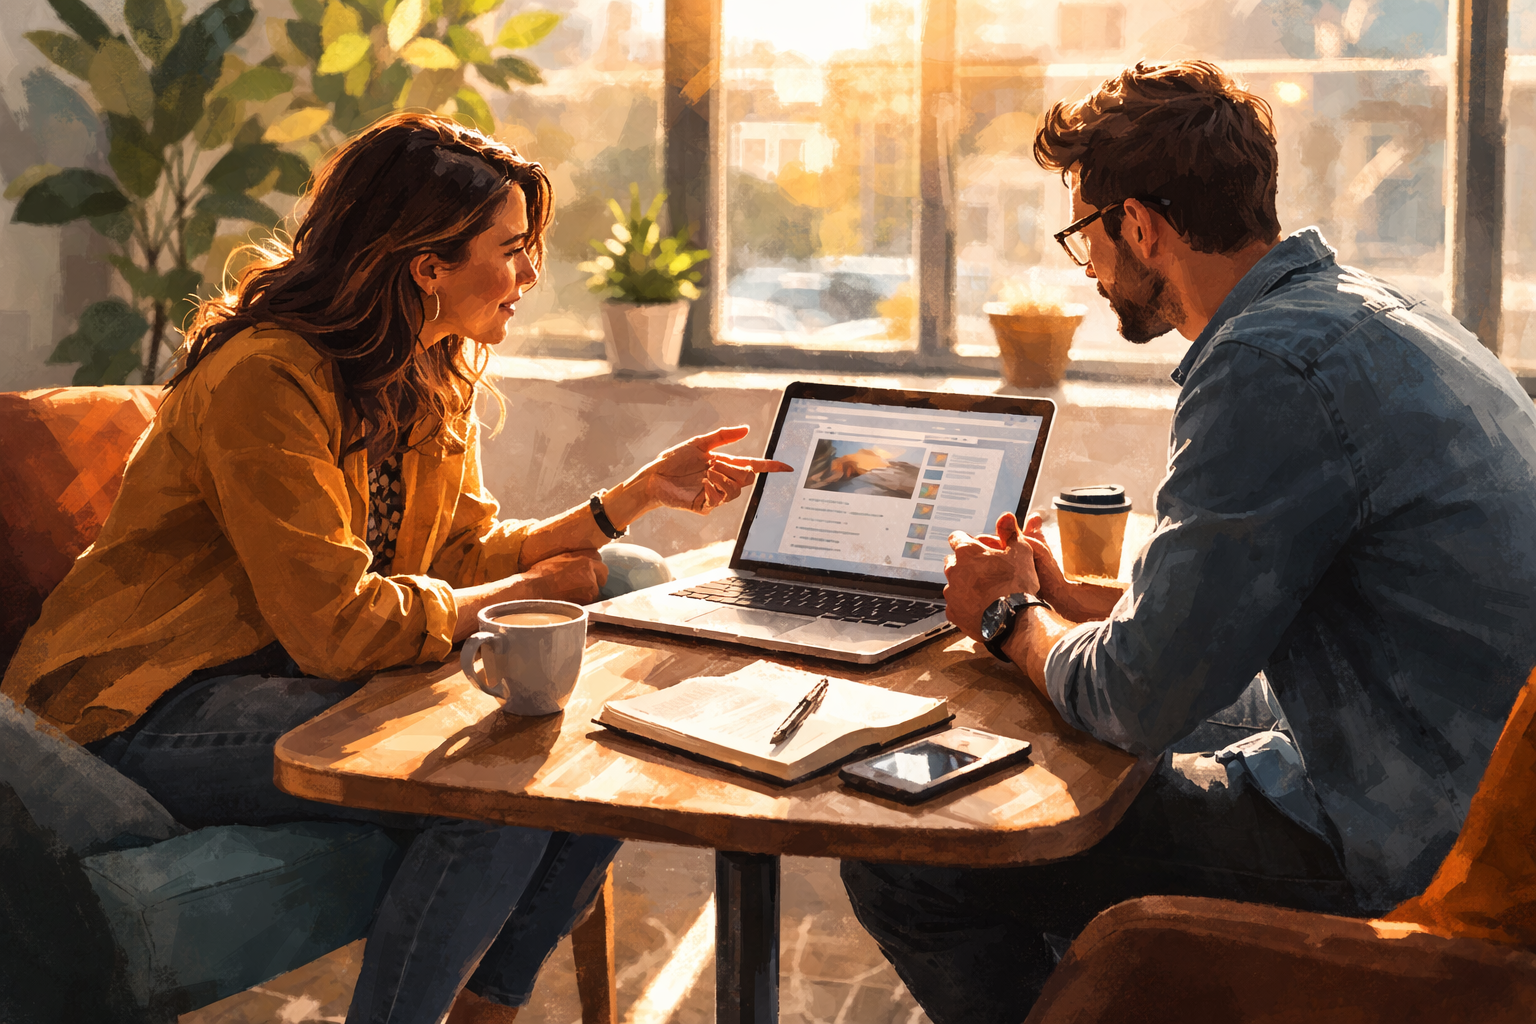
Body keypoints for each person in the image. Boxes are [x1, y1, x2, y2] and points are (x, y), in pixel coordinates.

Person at [1, 111, 790, 1024]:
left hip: (276, 678)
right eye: (513, 248)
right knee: (493, 782)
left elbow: (461, 555)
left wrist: (632, 500)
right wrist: (529, 592)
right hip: (143, 705)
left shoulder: (429, 369)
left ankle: (486, 1006)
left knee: (582, 739)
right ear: (427, 266)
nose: (532, 275)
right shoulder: (266, 377)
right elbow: (339, 630)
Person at [840, 60, 1536, 1024]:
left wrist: (1008, 616)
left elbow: (1135, 702)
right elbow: (1270, 635)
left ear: (1138, 226)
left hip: (1404, 843)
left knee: (908, 857)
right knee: (1043, 728)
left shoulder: (1266, 367)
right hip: (1436, 769)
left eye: (1085, 235)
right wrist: (1090, 612)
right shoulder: (1379, 317)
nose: (1087, 270)